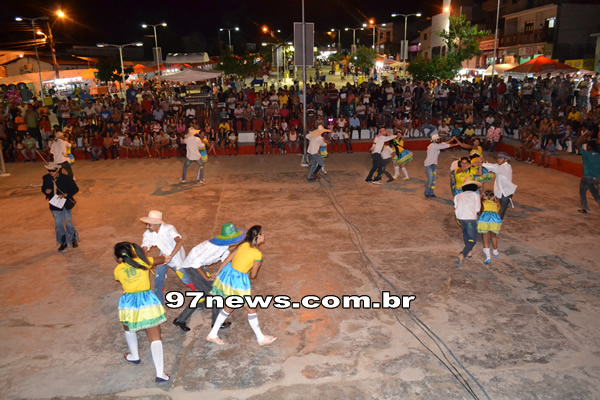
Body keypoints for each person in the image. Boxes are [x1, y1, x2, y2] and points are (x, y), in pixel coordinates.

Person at [207, 225, 276, 346]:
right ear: (258, 236)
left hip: (228, 275)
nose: (264, 235)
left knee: (229, 307)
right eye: (263, 233)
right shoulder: (257, 254)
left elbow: (228, 259)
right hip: (238, 282)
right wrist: (255, 267)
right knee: (251, 308)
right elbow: (253, 275)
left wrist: (218, 272)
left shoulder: (242, 245)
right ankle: (260, 338)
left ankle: (212, 334)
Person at [113, 242, 170, 383]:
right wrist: (165, 257)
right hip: (146, 302)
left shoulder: (118, 270)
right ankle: (160, 374)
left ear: (119, 258)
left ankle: (134, 356)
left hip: (128, 302)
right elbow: (162, 259)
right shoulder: (145, 261)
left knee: (128, 328)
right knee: (155, 338)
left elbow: (122, 277)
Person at [172, 223, 246, 332]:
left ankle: (181, 320)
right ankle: (215, 323)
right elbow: (196, 262)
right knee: (215, 294)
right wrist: (206, 278)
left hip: (198, 266)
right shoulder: (215, 247)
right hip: (191, 267)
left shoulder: (224, 245)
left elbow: (226, 260)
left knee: (207, 294)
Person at [140, 210, 194, 305]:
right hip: (163, 256)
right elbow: (145, 246)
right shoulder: (148, 233)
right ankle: (159, 302)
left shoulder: (169, 229)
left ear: (157, 224)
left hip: (176, 257)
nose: (147, 227)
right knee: (158, 278)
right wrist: (142, 258)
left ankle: (200, 292)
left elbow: (179, 242)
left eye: (149, 225)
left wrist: (171, 256)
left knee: (185, 279)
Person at [41, 162, 79, 251]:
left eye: (53, 170)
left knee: (68, 222)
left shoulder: (66, 178)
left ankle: (72, 239)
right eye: (49, 170)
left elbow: (75, 189)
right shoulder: (46, 178)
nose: (51, 172)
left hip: (65, 203)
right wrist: (46, 191)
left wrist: (65, 194)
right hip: (54, 204)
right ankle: (62, 241)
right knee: (58, 224)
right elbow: (43, 188)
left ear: (58, 170)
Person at [454, 179, 482, 268]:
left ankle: (469, 252)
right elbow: (478, 209)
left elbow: (455, 206)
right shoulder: (476, 195)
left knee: (466, 232)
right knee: (472, 239)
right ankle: (462, 254)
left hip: (460, 218)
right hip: (470, 219)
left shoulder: (458, 195)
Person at [481, 152, 517, 219]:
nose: (498, 160)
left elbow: (494, 167)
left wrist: (482, 163)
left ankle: (497, 222)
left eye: (500, 158)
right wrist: (484, 161)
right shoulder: (503, 167)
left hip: (504, 193)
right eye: (498, 158)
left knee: (500, 211)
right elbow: (493, 166)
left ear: (505, 159)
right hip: (503, 192)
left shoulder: (506, 167)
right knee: (498, 210)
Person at [424, 134, 459, 198]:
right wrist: (456, 144)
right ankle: (427, 192)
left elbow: (444, 143)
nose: (439, 140)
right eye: (438, 139)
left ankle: (431, 193)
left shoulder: (436, 145)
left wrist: (452, 139)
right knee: (430, 179)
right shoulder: (433, 146)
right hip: (428, 165)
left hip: (434, 164)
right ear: (434, 140)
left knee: (433, 180)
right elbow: (445, 146)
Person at [477, 190, 503, 264]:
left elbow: (479, 212)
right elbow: (499, 213)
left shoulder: (482, 203)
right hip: (494, 221)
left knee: (485, 239)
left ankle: (488, 258)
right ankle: (495, 252)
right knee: (493, 237)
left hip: (484, 221)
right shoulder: (496, 203)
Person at [576, 139, 600, 214]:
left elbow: (577, 145)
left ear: (589, 147)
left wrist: (583, 138)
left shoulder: (586, 154)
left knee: (582, 192)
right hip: (595, 179)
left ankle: (585, 208)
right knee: (596, 195)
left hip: (586, 178)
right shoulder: (599, 156)